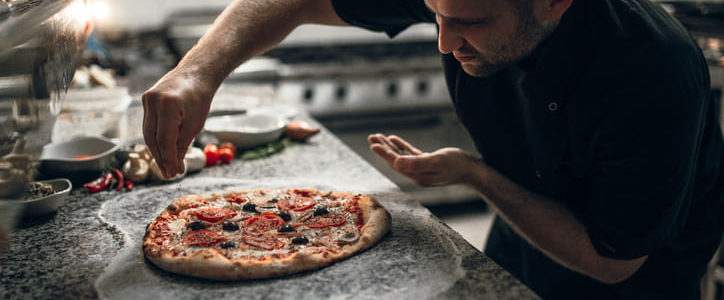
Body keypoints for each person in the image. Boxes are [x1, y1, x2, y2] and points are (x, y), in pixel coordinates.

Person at [142, 0, 724, 298]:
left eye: (468, 20)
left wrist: (476, 175)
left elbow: (612, 260)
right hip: (521, 245)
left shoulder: (652, 72)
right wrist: (197, 72)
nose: (444, 41)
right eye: (434, 14)